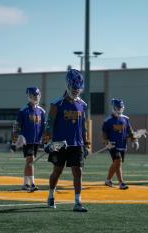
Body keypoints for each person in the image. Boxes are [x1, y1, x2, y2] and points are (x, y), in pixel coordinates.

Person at [44, 69, 90, 212]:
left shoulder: (83, 104)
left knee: (78, 172)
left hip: (77, 144)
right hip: (59, 144)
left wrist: (86, 144)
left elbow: (83, 126)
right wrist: (47, 142)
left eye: (78, 88)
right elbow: (49, 124)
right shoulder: (57, 104)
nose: (76, 91)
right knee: (57, 171)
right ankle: (51, 194)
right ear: (67, 85)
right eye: (73, 87)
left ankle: (78, 201)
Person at [12, 87, 46, 192]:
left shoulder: (42, 111)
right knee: (30, 160)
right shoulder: (23, 110)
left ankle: (25, 183)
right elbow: (16, 126)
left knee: (30, 162)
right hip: (27, 140)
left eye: (37, 95)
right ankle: (32, 183)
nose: (35, 97)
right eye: (33, 96)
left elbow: (44, 127)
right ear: (29, 96)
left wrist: (45, 141)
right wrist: (15, 140)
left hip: (36, 141)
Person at [102, 99, 139, 190]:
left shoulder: (125, 119)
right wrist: (106, 142)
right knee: (118, 161)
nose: (119, 109)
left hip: (122, 145)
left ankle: (108, 180)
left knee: (117, 163)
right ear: (113, 108)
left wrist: (134, 140)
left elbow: (129, 131)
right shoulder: (108, 120)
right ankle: (121, 183)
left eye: (120, 107)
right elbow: (104, 133)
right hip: (113, 145)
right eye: (117, 107)